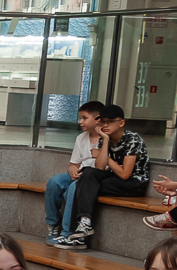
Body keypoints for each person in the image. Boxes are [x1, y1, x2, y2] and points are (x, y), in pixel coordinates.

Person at [59, 104, 149, 250]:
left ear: (121, 123)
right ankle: (84, 223)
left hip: (134, 183)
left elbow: (125, 174)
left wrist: (106, 157)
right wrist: (106, 140)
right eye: (103, 122)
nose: (105, 125)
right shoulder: (104, 138)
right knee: (87, 173)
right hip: (114, 178)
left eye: (110, 122)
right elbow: (99, 168)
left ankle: (78, 236)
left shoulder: (133, 140)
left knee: (85, 186)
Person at [43, 102, 105, 243]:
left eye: (84, 118)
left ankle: (67, 233)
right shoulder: (81, 137)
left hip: (92, 178)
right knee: (54, 182)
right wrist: (72, 170)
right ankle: (53, 224)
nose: (80, 122)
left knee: (73, 188)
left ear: (98, 119)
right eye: (80, 118)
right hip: (80, 173)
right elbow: (73, 164)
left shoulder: (107, 139)